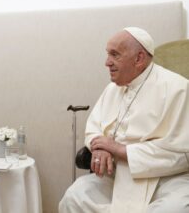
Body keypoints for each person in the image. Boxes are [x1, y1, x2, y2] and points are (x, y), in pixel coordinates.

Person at [59, 27, 189, 213]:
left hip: (166, 180)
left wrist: (120, 150)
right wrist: (100, 147)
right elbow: (93, 128)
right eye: (107, 54)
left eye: (115, 55)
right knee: (75, 196)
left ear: (139, 58)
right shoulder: (112, 89)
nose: (107, 63)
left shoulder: (179, 89)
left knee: (174, 208)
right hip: (118, 175)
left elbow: (183, 153)